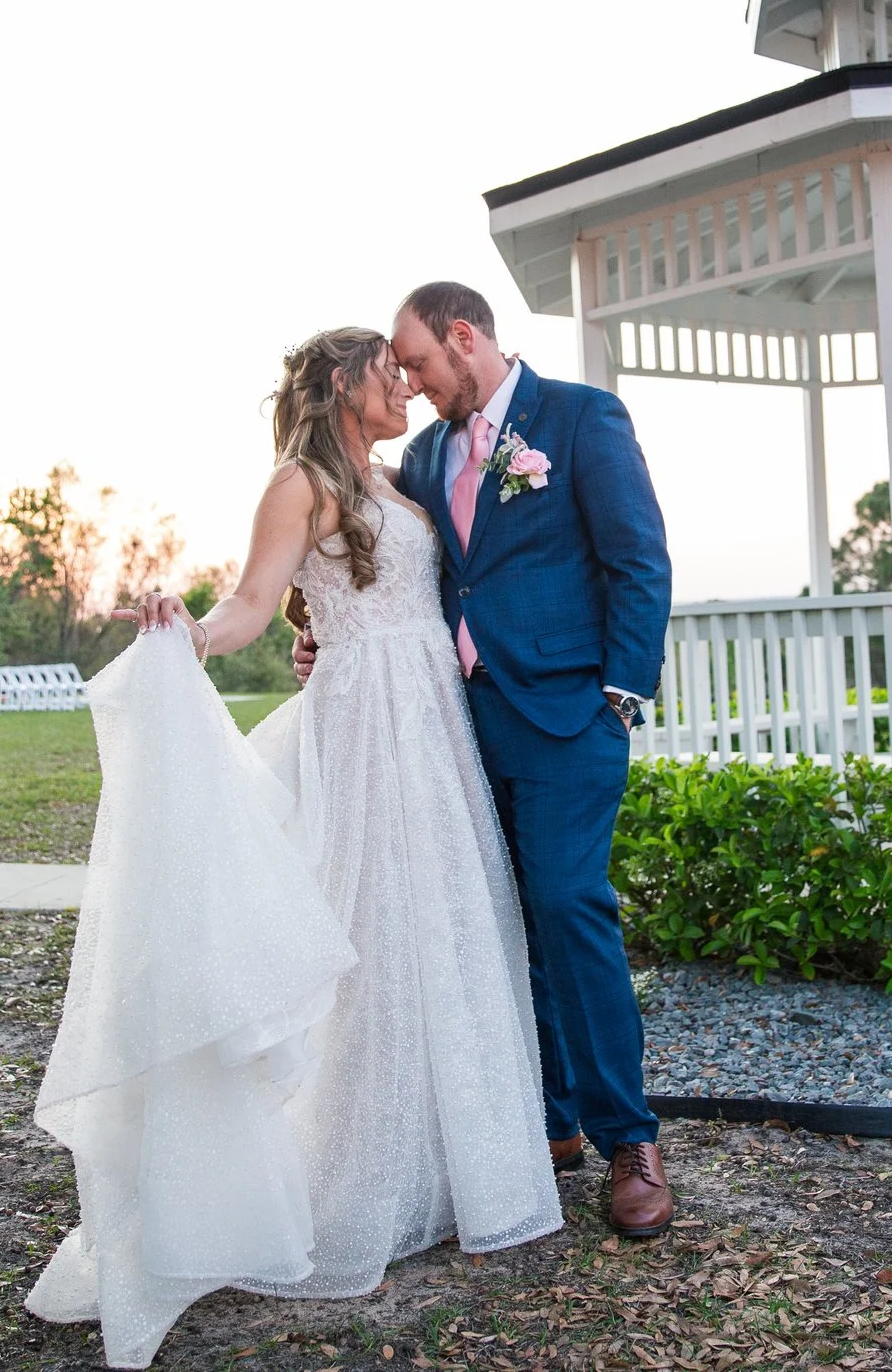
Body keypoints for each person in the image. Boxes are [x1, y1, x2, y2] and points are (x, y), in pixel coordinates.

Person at [25, 327, 561, 1369]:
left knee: (443, 926)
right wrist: (190, 631)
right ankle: (347, 1173)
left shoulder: (403, 479)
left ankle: (448, 1167)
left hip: (432, 720)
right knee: (360, 932)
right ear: (336, 382)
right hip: (364, 725)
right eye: (387, 369)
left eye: (412, 369)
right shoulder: (298, 481)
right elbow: (252, 600)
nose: (406, 382)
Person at [301, 281, 676, 1237]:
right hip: (456, 726)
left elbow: (639, 557)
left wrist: (620, 694)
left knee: (565, 902)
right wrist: (317, 638)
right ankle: (548, 1122)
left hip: (569, 715)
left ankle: (629, 1137)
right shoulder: (423, 457)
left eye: (420, 362)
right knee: (498, 918)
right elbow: (381, 564)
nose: (414, 384)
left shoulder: (582, 419)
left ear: (464, 336)